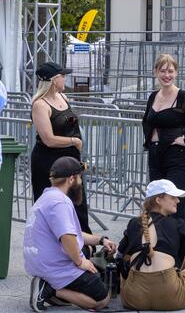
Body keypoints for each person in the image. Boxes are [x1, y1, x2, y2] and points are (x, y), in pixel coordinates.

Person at [25, 157, 118, 312]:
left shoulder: (47, 196)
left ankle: (50, 288)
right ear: (71, 179)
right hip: (53, 266)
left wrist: (101, 240)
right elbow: (67, 237)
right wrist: (81, 262)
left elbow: (73, 233)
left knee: (87, 248)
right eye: (80, 177)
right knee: (102, 299)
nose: (81, 182)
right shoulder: (60, 202)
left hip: (39, 262)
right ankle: (50, 289)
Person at [118, 179, 185, 309]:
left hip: (134, 298)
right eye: (173, 197)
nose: (178, 201)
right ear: (158, 199)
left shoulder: (134, 223)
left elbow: (122, 256)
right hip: (170, 297)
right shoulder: (178, 224)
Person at [142, 54, 185, 222]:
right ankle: (161, 247)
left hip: (178, 158)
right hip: (156, 157)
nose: (167, 75)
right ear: (155, 72)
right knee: (156, 208)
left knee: (177, 210)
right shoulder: (153, 96)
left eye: (170, 71)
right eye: (163, 71)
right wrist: (149, 142)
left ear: (176, 73)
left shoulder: (183, 97)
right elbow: (146, 121)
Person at [29, 62, 91, 234]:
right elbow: (48, 139)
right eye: (62, 76)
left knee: (78, 204)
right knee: (53, 206)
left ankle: (84, 246)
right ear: (53, 80)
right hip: (49, 162)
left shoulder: (63, 97)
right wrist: (73, 141)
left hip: (71, 161)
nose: (65, 79)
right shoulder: (40, 104)